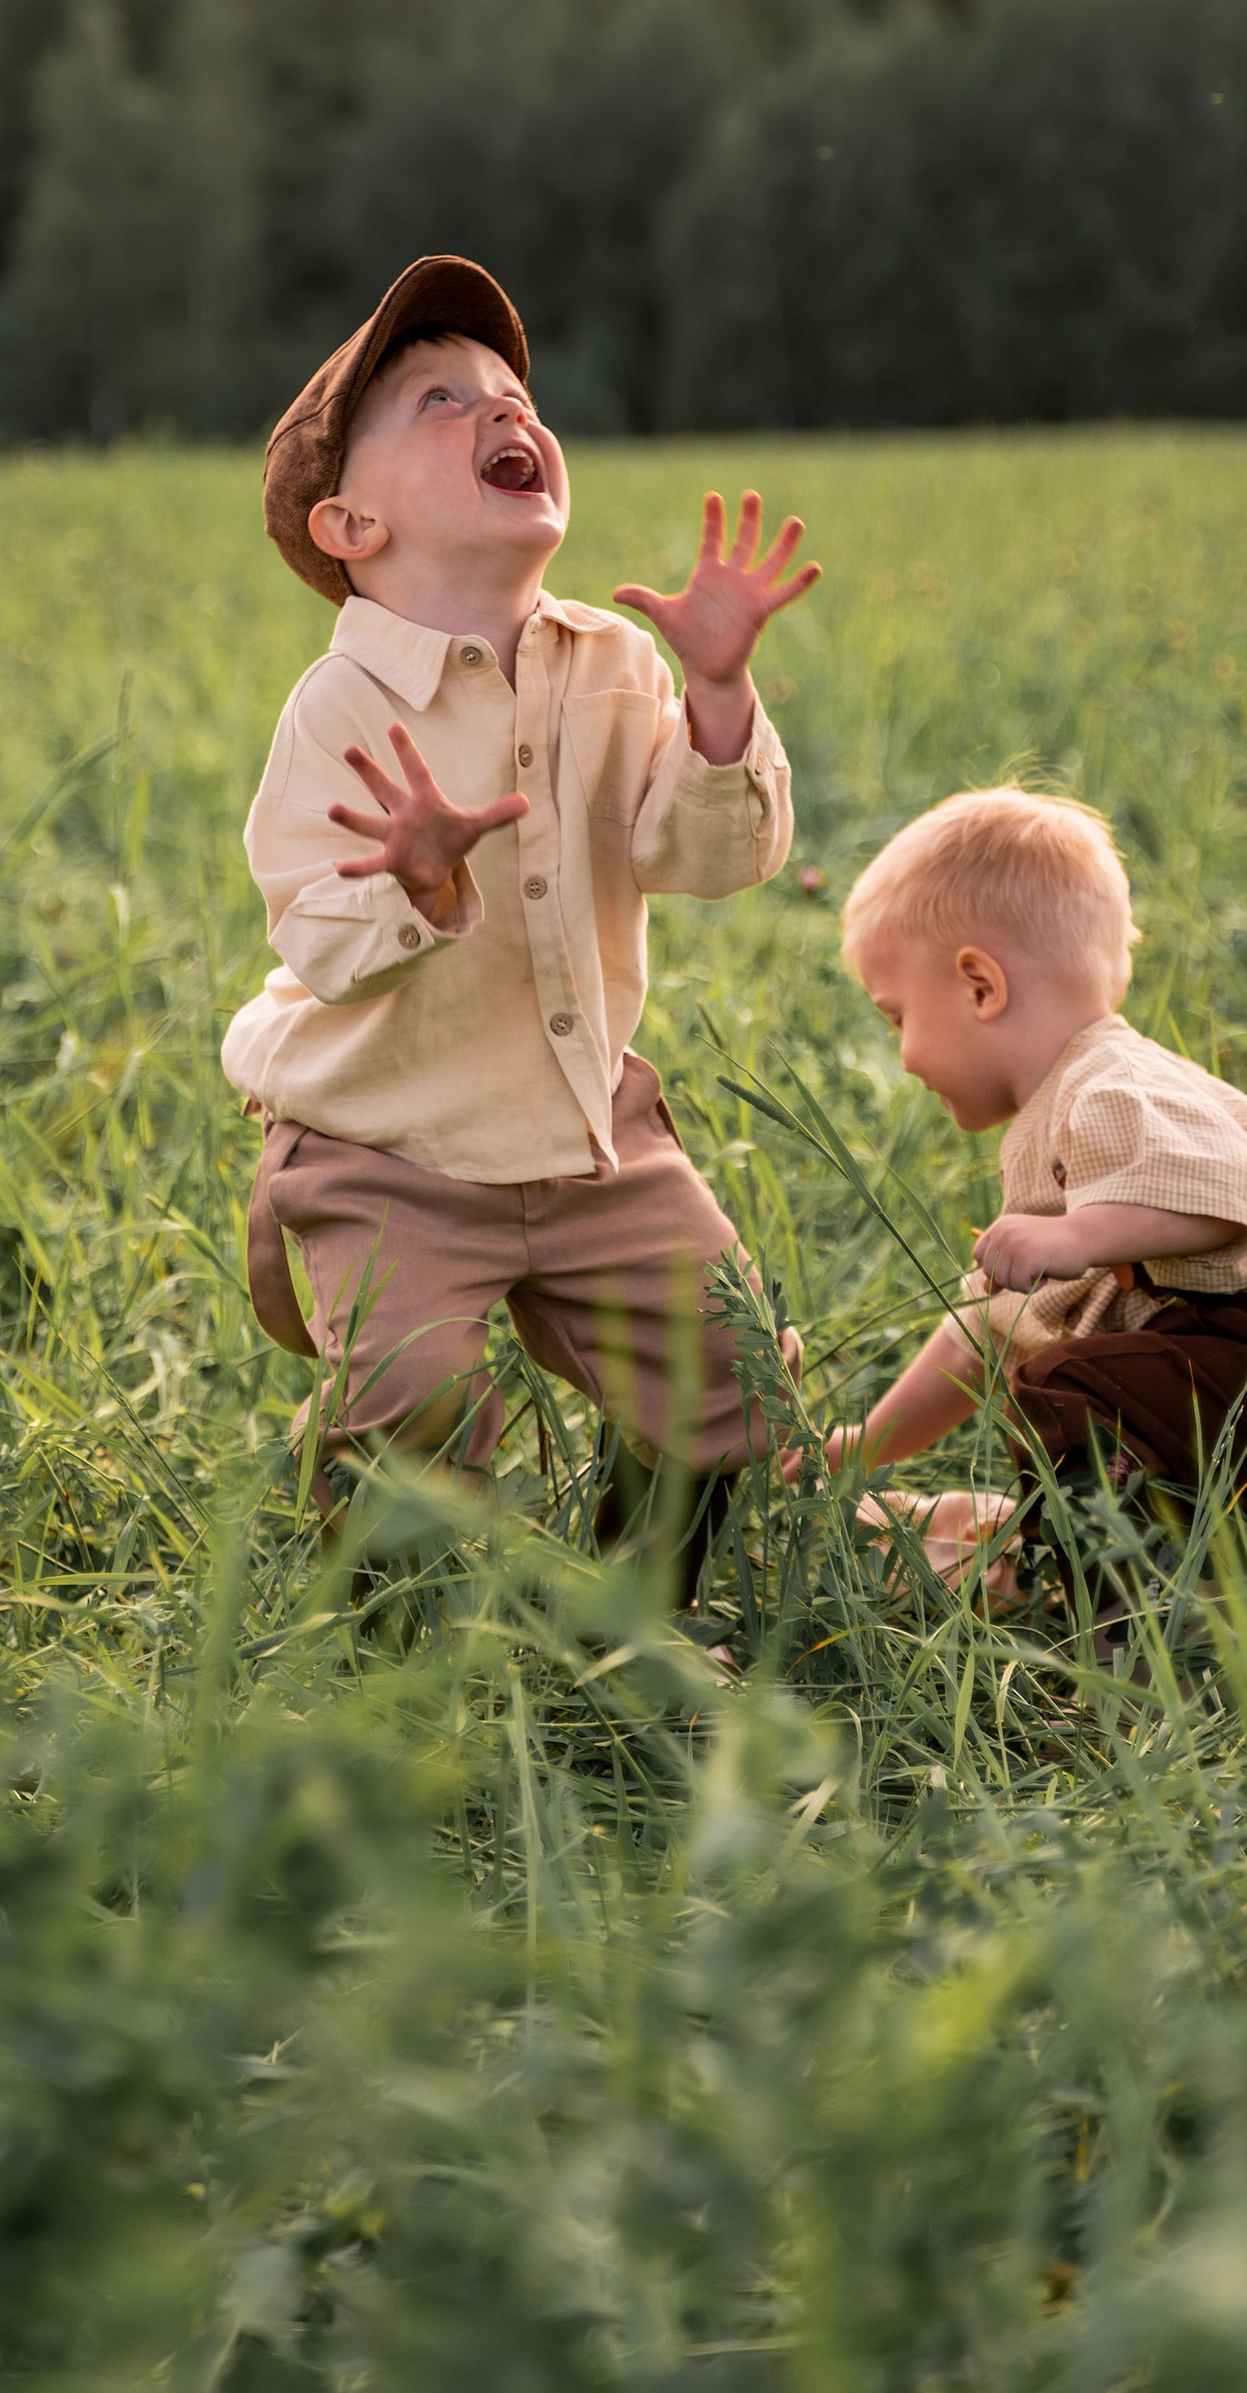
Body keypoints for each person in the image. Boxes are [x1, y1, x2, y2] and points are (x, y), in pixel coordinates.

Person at [227, 253, 812, 1587]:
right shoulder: (340, 707)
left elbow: (704, 852)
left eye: (513, 394)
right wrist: (414, 879)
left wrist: (719, 698)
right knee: (416, 1400)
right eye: (439, 400)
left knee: (732, 1375)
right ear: (350, 525)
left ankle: (637, 1613)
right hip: (390, 1145)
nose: (502, 409)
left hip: (584, 1128)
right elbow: (316, 934)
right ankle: (401, 1647)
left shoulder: (615, 661)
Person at [822, 787, 1247, 1591]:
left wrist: (1075, 1237)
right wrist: (868, 1443)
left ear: (980, 986)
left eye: (897, 1017)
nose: (902, 1056)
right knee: (1074, 1368)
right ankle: (1194, 1575)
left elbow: (1219, 1194)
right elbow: (987, 1332)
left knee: (1067, 1387)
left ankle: (1124, 1611)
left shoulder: (1112, 1083)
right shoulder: (1064, 1113)